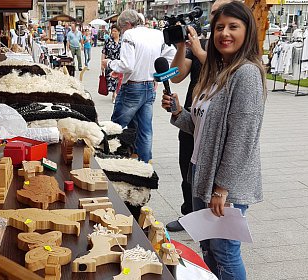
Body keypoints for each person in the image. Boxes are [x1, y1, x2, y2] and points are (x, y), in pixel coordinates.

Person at [162, 2, 266, 278]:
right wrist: (179, 112)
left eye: (233, 27)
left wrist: (222, 189)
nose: (224, 33)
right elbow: (201, 127)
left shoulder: (246, 74)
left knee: (225, 253)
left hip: (224, 184)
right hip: (202, 173)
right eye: (220, 27)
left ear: (248, 32)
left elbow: (242, 139)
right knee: (209, 248)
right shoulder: (216, 72)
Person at [166, 0, 234, 232]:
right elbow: (176, 76)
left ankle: (212, 218)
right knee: (187, 167)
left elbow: (225, 70)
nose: (215, 17)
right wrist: (181, 47)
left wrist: (197, 50)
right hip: (191, 117)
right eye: (213, 13)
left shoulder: (231, 47)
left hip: (216, 123)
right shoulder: (202, 43)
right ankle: (190, 213)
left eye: (220, 13)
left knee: (212, 171)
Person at [101, 9, 176, 163]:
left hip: (133, 87)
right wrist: (154, 72)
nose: (122, 33)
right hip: (150, 86)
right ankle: (145, 163)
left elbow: (127, 65)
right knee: (145, 129)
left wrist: (110, 63)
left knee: (116, 125)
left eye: (122, 29)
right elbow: (171, 54)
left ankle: (109, 158)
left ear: (127, 24)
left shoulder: (130, 35)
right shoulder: (157, 34)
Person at [101, 24, 122, 103]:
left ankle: (116, 94)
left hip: (120, 63)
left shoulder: (122, 41)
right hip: (109, 63)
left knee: (118, 79)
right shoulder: (108, 41)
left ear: (119, 32)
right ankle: (114, 94)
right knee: (112, 79)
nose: (113, 33)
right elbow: (103, 52)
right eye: (112, 31)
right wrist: (102, 63)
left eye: (115, 31)